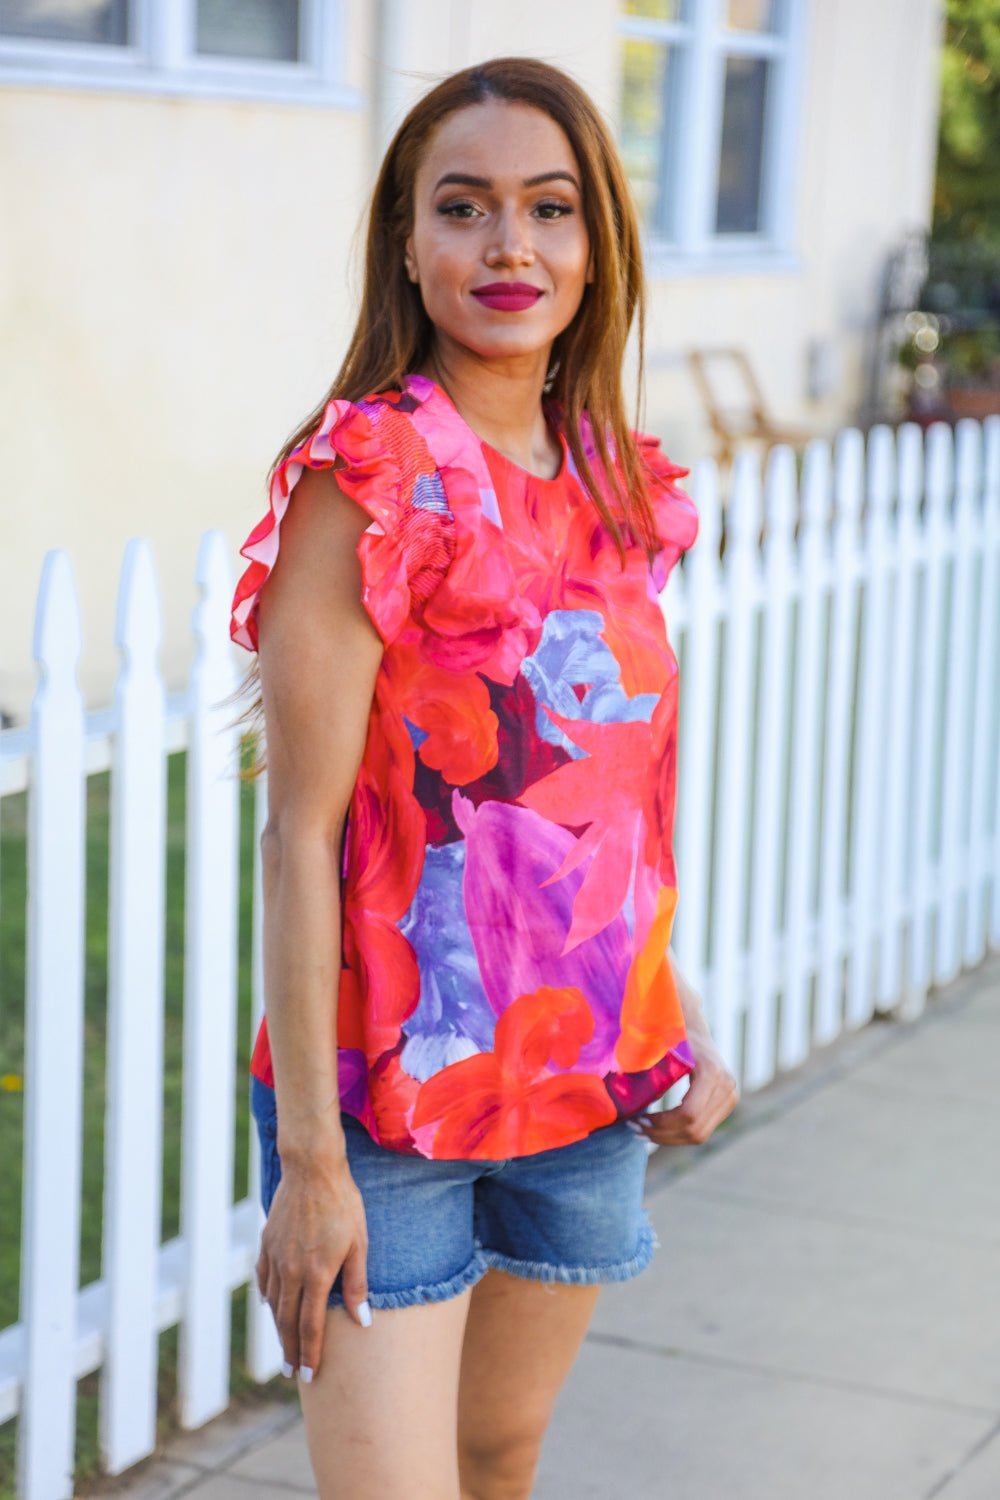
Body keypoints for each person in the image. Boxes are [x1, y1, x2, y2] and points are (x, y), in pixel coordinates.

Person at [228, 55, 739, 1500]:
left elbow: (600, 805)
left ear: (596, 246)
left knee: (500, 1454)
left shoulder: (611, 479)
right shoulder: (371, 476)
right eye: (464, 207)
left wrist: (671, 1006)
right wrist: (313, 1166)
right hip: (384, 1110)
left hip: (582, 1083)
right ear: (408, 238)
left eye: (549, 208)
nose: (509, 246)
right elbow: (301, 835)